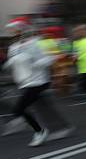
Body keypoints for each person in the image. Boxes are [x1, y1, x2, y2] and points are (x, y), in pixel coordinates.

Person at [2, 17, 73, 146]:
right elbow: (13, 62)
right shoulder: (13, 47)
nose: (12, 31)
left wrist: (34, 63)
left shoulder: (36, 43)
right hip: (24, 82)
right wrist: (8, 65)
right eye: (11, 29)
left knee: (18, 109)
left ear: (22, 29)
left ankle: (39, 131)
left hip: (38, 81)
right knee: (43, 107)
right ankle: (62, 128)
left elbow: (49, 59)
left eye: (15, 29)